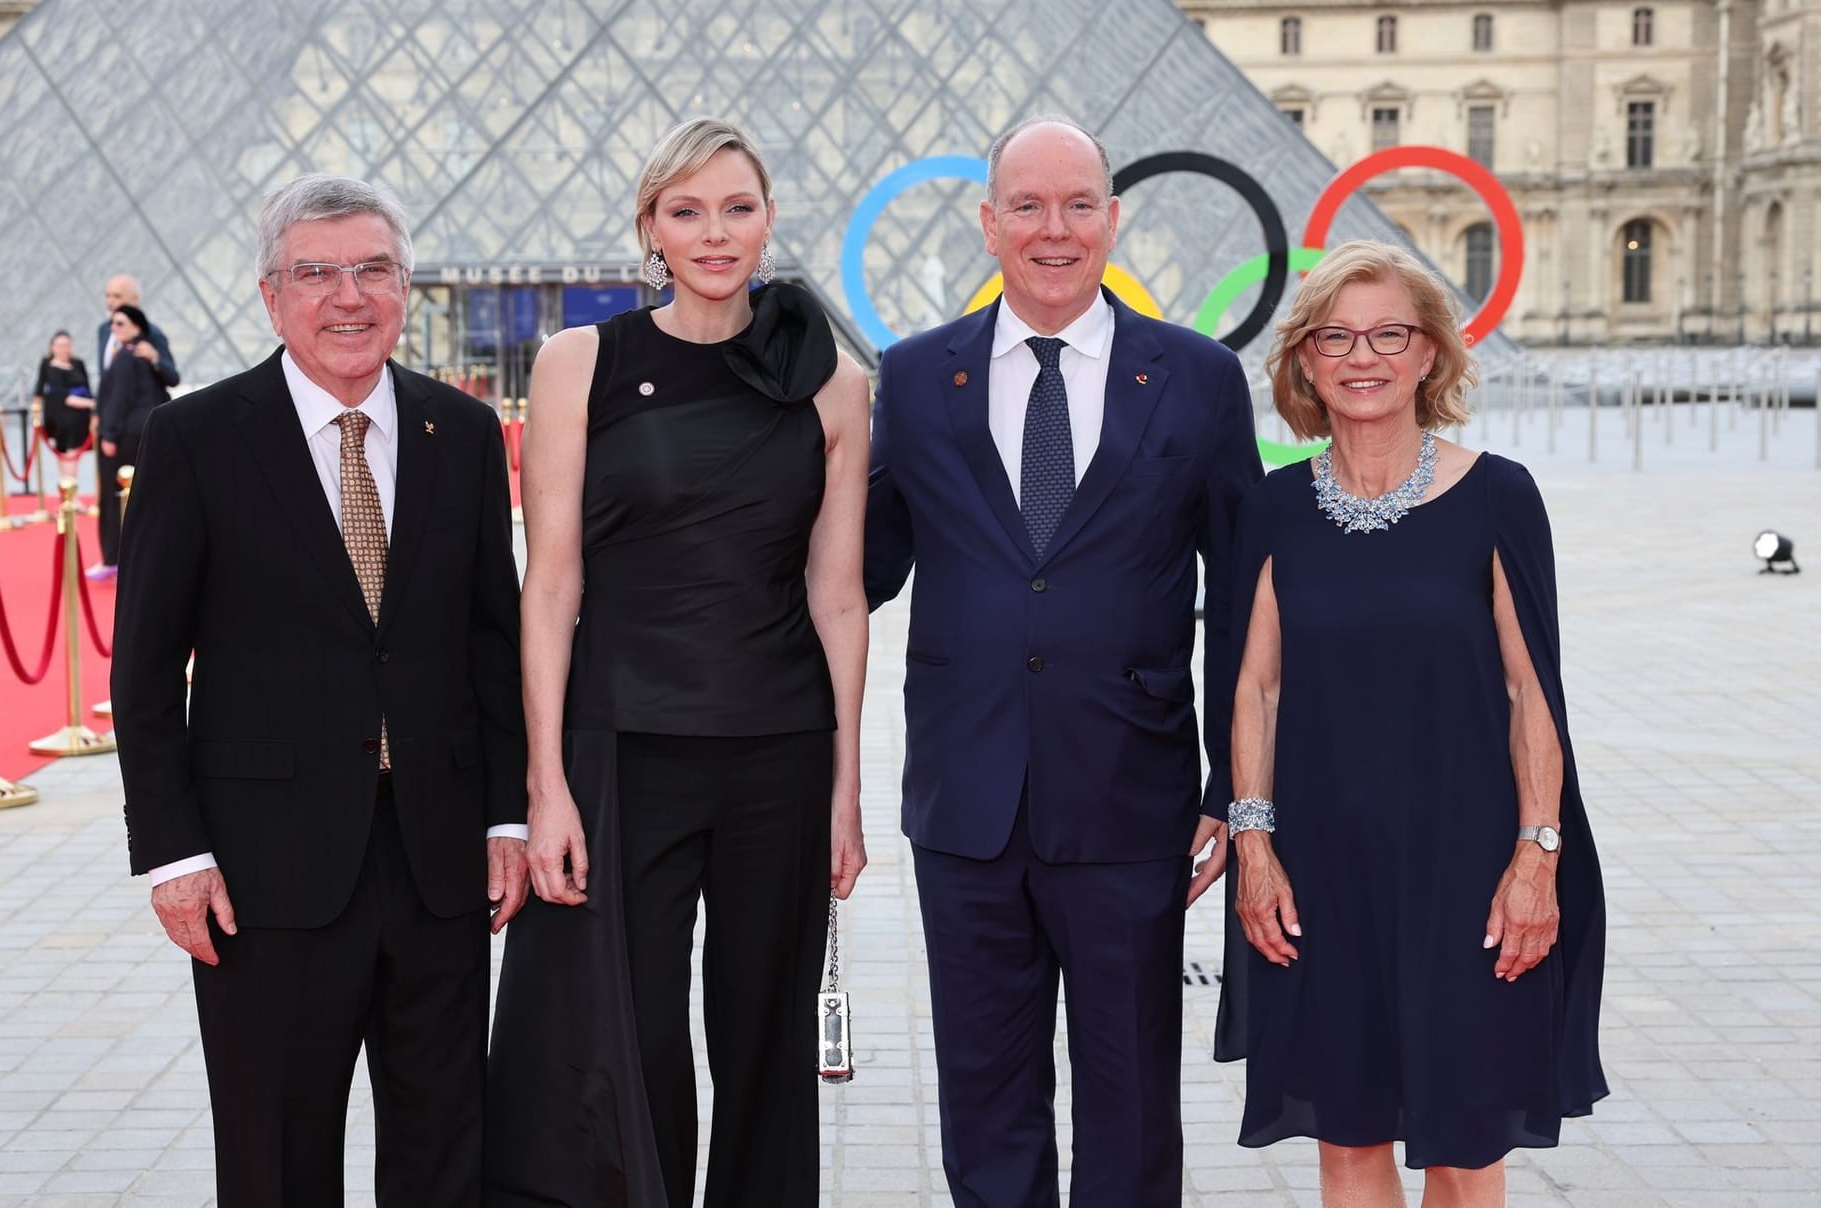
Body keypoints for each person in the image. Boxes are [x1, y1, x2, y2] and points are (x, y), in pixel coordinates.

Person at [863, 115, 1263, 1205]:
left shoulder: (1197, 377)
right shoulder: (911, 378)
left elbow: (1239, 597)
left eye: (1078, 204)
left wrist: (1236, 789)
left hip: (1131, 800)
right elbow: (855, 571)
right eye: (1028, 207)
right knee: (985, 1098)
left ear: (1113, 220)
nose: (1054, 228)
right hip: (966, 804)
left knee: (1131, 1097)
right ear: (988, 223)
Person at [113, 173, 528, 1206]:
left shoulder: (462, 434)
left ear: (404, 287)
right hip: (263, 866)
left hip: (438, 853)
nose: (349, 296)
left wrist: (509, 815)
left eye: (373, 270)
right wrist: (174, 851)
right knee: (277, 1154)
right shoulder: (196, 438)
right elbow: (146, 666)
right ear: (270, 295)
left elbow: (492, 640)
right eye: (317, 273)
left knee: (445, 1149)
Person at [485, 117, 870, 1208]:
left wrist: (846, 784)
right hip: (622, 750)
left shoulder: (835, 385)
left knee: (763, 1041)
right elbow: (550, 583)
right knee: (627, 1035)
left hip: (780, 752)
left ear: (769, 217)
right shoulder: (579, 363)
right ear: (650, 226)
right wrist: (544, 782)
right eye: (687, 210)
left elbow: (836, 595)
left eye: (737, 207)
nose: (715, 232)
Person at [1211, 240, 1607, 1206]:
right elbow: (1251, 688)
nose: (1363, 356)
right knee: (1347, 1138)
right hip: (1320, 864)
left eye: (1390, 333)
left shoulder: (1499, 495)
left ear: (1430, 354)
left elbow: (1531, 694)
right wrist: (1254, 849)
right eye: (1336, 336)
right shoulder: (1271, 508)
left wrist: (1537, 856)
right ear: (1305, 360)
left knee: (1465, 1146)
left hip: (1469, 865)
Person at [89, 305, 170, 579]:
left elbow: (119, 398)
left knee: (114, 497)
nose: (114, 329)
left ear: (136, 326)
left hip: (125, 435)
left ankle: (114, 556)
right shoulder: (142, 352)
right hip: (148, 430)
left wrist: (108, 434)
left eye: (120, 324)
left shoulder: (126, 356)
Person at [32, 331, 94, 480]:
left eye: (67, 345)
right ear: (52, 347)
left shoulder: (77, 364)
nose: (64, 349)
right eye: (60, 345)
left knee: (74, 452)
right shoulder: (50, 366)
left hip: (81, 416)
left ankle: (69, 488)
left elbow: (87, 387)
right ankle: (68, 489)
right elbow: (45, 392)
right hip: (62, 415)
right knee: (67, 451)